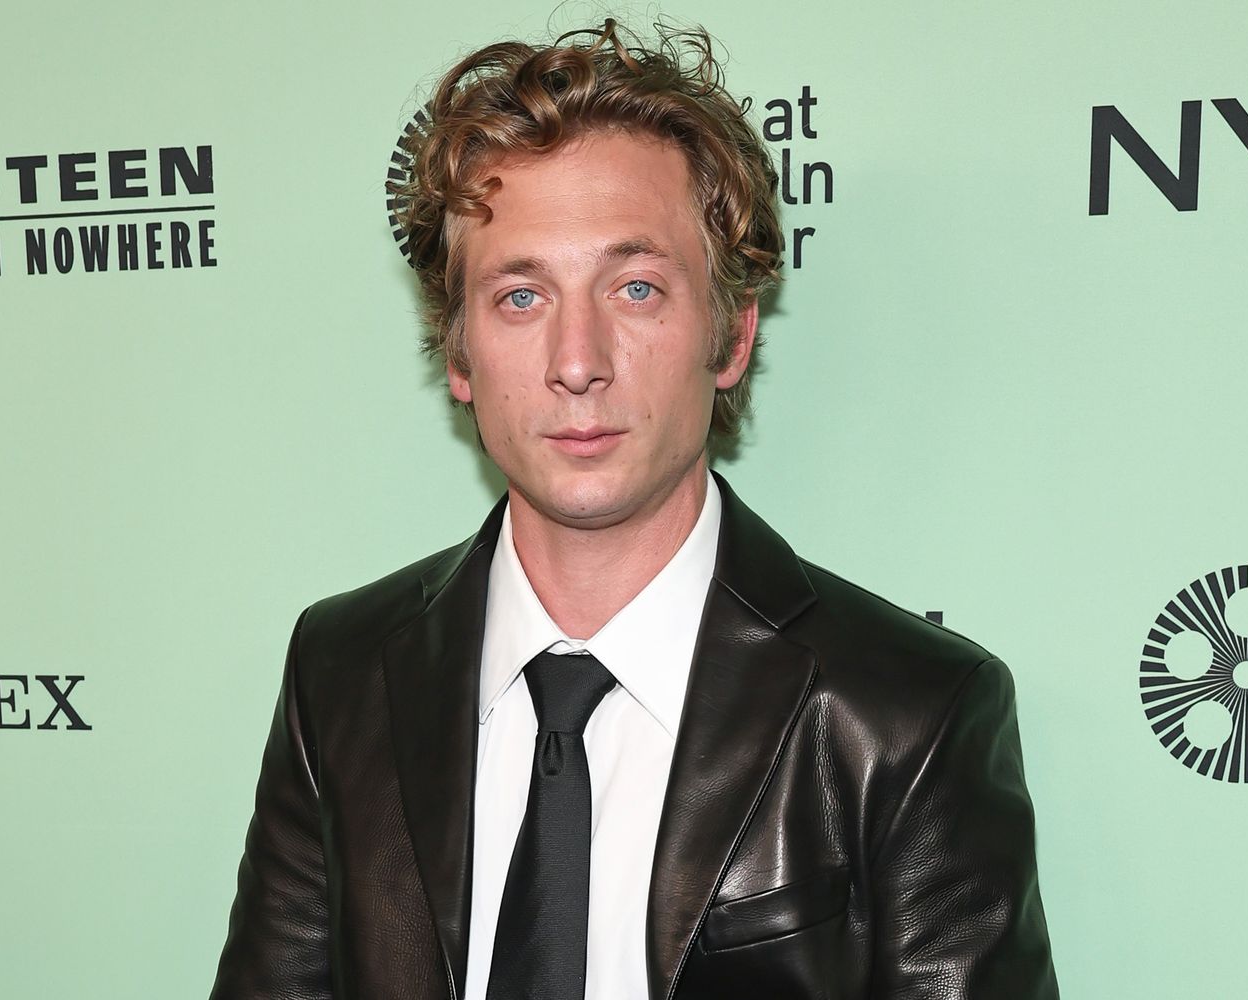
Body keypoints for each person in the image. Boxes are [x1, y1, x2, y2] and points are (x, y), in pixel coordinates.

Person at [211, 19, 1058, 1000]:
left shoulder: (907, 713)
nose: (578, 362)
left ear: (731, 336)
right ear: (458, 352)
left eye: (637, 288)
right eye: (521, 297)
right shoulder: (342, 672)